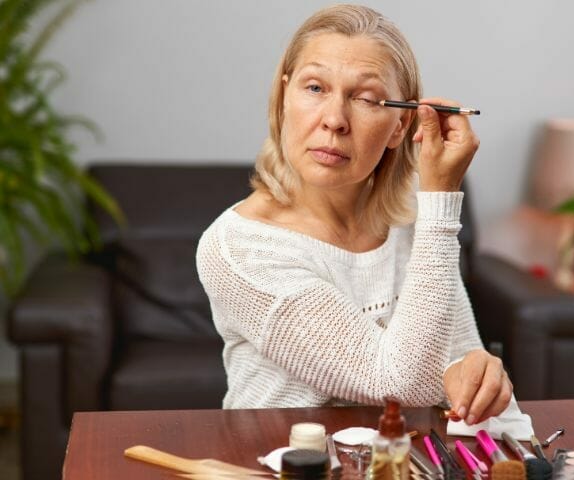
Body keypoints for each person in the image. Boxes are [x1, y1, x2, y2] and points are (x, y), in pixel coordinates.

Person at [197, 4, 512, 425]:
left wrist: (477, 373)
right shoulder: (239, 249)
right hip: (276, 463)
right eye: (314, 88)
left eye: (365, 98)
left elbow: (456, 354)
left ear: (400, 126)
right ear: (283, 98)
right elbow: (402, 384)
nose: (334, 120)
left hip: (392, 461)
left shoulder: (414, 222)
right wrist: (439, 196)